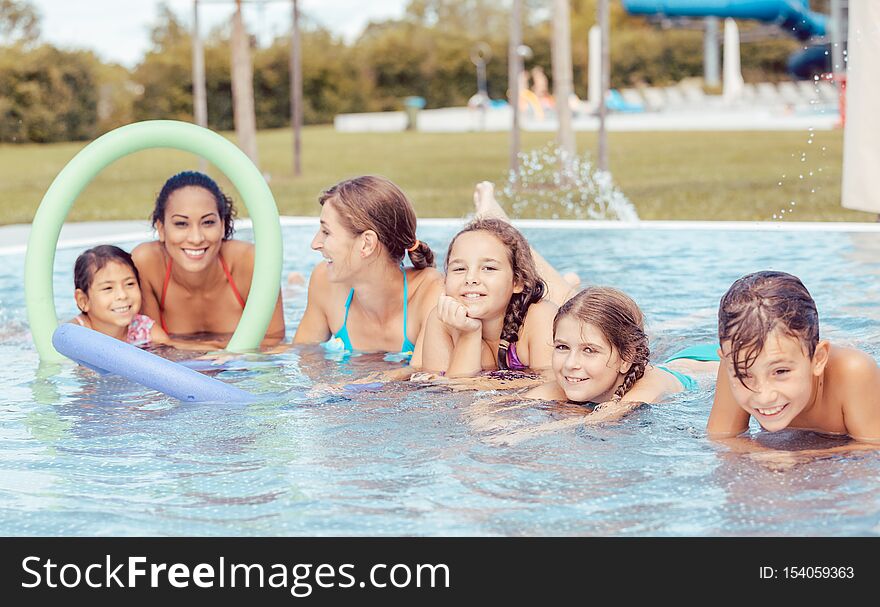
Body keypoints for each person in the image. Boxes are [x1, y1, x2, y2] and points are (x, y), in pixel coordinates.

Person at [708, 270, 880, 442]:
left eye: (781, 371)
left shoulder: (854, 371)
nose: (764, 396)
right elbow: (722, 440)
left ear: (818, 358)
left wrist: (794, 457)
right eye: (744, 374)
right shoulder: (737, 362)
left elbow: (872, 450)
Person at [293, 175, 443, 362]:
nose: (315, 244)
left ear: (366, 244)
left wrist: (353, 386)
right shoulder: (324, 281)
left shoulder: (431, 293)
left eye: (326, 232)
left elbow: (426, 376)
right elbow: (303, 358)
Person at [131, 171, 284, 346]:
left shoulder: (251, 262)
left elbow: (274, 342)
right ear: (162, 229)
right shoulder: (146, 264)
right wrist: (215, 351)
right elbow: (152, 347)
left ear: (222, 225)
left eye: (208, 222)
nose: (196, 238)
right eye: (181, 224)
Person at [525, 287, 718, 406]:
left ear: (626, 358)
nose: (570, 364)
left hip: (711, 364)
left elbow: (600, 422)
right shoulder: (572, 380)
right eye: (562, 347)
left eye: (589, 350)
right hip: (672, 362)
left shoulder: (646, 392)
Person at [419, 218, 558, 377]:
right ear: (445, 281)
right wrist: (470, 334)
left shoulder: (540, 317)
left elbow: (552, 389)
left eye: (489, 268)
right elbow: (444, 394)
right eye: (459, 269)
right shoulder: (441, 321)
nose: (470, 278)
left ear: (517, 281)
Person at [71, 245, 223, 350]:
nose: (123, 295)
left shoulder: (143, 329)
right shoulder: (75, 333)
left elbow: (173, 348)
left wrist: (217, 349)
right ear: (83, 301)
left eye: (129, 284)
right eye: (108, 288)